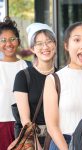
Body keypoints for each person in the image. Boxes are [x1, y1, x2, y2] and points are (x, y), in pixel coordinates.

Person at [43, 22, 82, 150]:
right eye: (77, 40)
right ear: (66, 45)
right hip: (62, 143)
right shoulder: (54, 80)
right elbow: (52, 126)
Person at [13, 23, 57, 149]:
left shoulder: (62, 75)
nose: (45, 47)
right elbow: (25, 120)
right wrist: (37, 146)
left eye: (49, 41)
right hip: (34, 140)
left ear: (55, 44)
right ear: (32, 48)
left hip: (59, 139)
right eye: (39, 43)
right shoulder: (23, 77)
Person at [0, 16, 30, 150]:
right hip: (2, 125)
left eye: (12, 39)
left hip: (25, 125)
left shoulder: (28, 67)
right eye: (3, 40)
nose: (8, 44)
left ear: (18, 41)